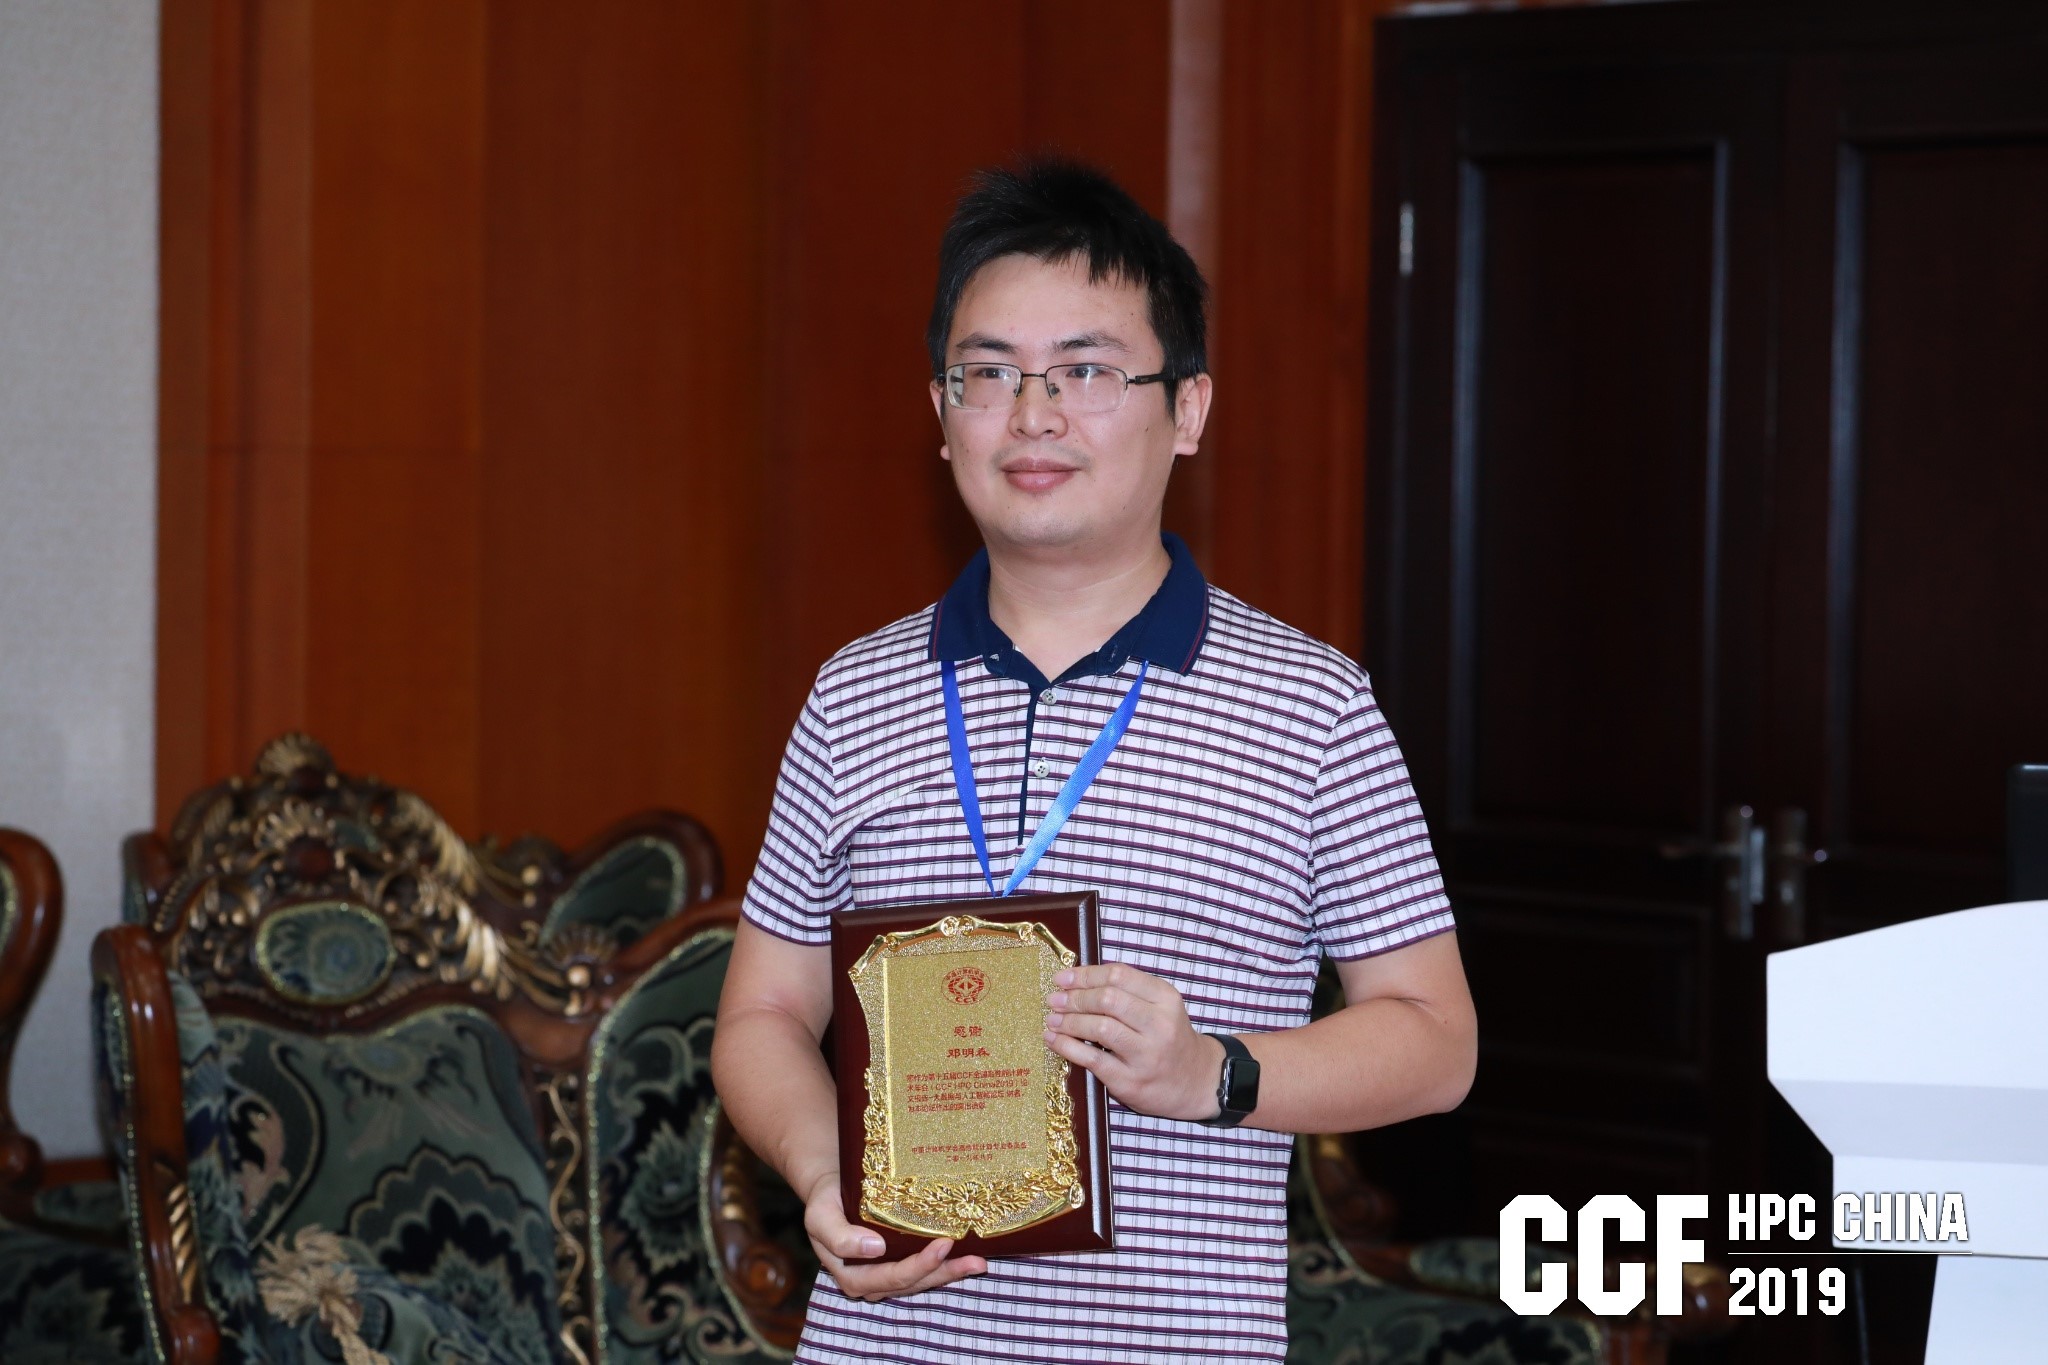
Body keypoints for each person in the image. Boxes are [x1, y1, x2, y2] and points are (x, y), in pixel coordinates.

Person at [711, 159, 1476, 1364]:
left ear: (1188, 410)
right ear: (940, 412)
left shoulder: (1310, 707)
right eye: (987, 374)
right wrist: (821, 1176)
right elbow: (762, 1011)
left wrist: (1213, 1073)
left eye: (1085, 371)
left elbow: (1435, 1041)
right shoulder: (854, 694)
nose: (1031, 415)